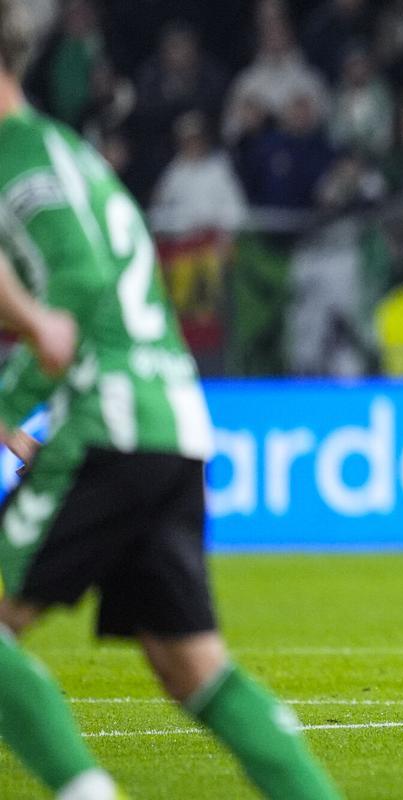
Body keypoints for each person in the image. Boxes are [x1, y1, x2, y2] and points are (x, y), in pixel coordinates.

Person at [0, 4, 342, 798]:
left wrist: (16, 399)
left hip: (109, 422)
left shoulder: (24, 167)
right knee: (191, 666)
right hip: (166, 419)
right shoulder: (62, 154)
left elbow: (73, 305)